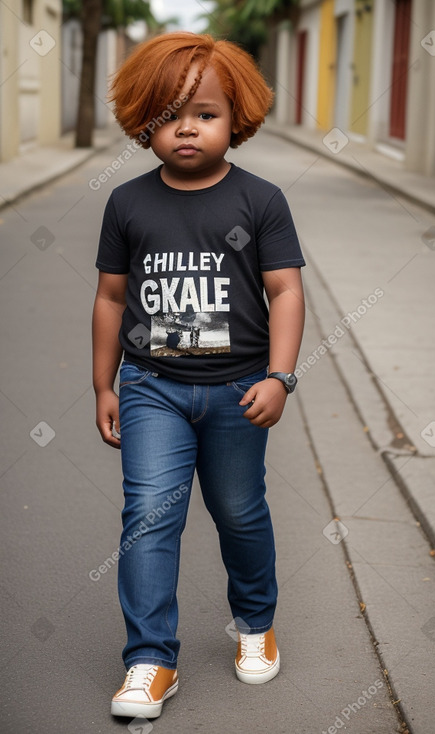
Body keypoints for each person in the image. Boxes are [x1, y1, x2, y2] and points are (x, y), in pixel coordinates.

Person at [92, 31, 305, 720]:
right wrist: (103, 384)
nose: (186, 127)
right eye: (166, 115)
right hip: (150, 387)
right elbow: (110, 298)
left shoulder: (261, 200)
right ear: (141, 122)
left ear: (234, 117)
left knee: (238, 513)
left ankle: (254, 622)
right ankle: (150, 660)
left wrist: (280, 376)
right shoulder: (127, 203)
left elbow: (285, 292)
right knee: (148, 516)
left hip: (238, 392)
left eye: (205, 113)